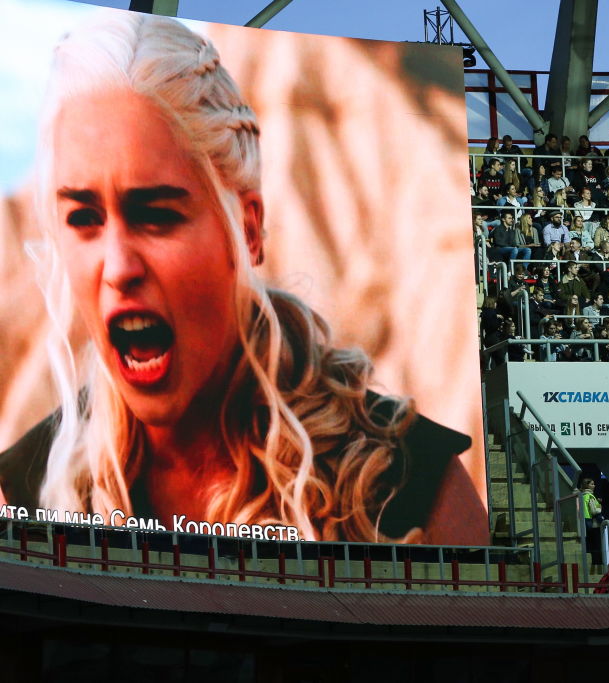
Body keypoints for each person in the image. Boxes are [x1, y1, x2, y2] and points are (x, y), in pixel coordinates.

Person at [0, 14, 479, 544]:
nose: (117, 268)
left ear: (247, 231)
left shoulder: (412, 489)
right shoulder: (22, 494)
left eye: (156, 215)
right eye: (84, 219)